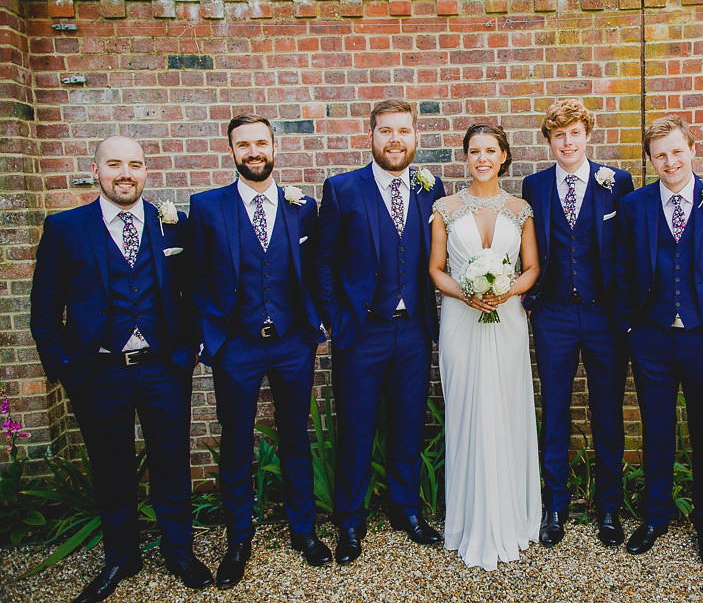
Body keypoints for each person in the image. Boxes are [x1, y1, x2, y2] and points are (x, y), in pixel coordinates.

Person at [30, 136, 211, 602]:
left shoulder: (172, 224)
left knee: (171, 463)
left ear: (146, 171)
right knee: (111, 468)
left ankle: (179, 551)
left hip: (162, 369)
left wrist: (187, 349)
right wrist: (64, 368)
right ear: (97, 171)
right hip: (99, 371)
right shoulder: (66, 228)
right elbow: (44, 308)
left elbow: (194, 290)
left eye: (135, 164)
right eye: (115, 164)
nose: (125, 173)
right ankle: (120, 559)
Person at [187, 115, 330, 589]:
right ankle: (238, 541)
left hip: (292, 344)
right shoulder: (207, 207)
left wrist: (312, 326)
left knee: (295, 436)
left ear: (274, 146)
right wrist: (212, 337)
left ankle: (303, 531)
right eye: (243, 144)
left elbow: (312, 271)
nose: (253, 151)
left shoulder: (301, 206)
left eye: (260, 143)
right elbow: (196, 278)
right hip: (236, 346)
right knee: (236, 443)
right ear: (231, 150)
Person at [316, 99, 445, 565]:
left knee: (408, 423)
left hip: (413, 331)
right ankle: (350, 521)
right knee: (356, 428)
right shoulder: (342, 189)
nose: (395, 140)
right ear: (370, 136)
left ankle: (405, 509)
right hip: (362, 333)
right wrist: (336, 320)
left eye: (404, 132)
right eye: (385, 131)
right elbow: (324, 263)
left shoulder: (433, 189)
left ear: (416, 137)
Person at [615, 115, 703, 566]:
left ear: (692, 149)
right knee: (656, 430)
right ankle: (655, 517)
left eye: (676, 151)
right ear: (650, 160)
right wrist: (630, 328)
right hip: (651, 339)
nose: (669, 161)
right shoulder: (635, 206)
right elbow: (621, 270)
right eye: (660, 155)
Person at [428, 124, 542, 570]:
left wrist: (509, 291)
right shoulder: (445, 208)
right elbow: (436, 269)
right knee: (467, 410)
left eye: (490, 150)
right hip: (461, 319)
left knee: (508, 410)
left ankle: (514, 517)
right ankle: (468, 520)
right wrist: (465, 293)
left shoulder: (521, 209)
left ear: (504, 155)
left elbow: (531, 267)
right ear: (466, 157)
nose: (481, 157)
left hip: (507, 321)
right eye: (474, 150)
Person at [521, 98, 633, 547]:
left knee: (608, 412)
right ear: (549, 141)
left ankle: (608, 507)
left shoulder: (617, 183)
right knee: (555, 412)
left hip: (605, 317)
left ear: (588, 134)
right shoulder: (535, 186)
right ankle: (556, 505)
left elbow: (629, 246)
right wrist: (531, 299)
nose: (567, 142)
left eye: (574, 133)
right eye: (558, 135)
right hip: (555, 316)